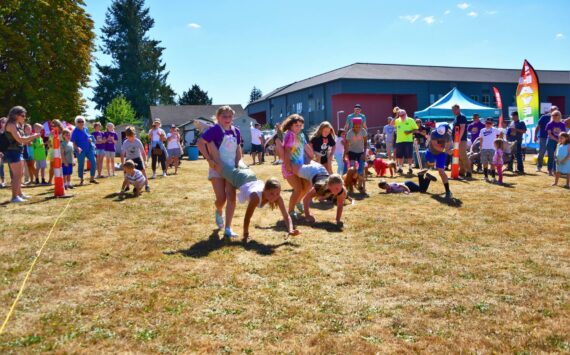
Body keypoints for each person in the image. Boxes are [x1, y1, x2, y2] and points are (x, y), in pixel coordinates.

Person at [212, 163, 299, 241]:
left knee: (234, 163)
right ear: (265, 190)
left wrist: (290, 229)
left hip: (250, 176)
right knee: (216, 165)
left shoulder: (278, 198)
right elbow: (247, 217)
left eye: (277, 193)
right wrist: (246, 234)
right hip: (239, 177)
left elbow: (286, 215)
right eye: (272, 193)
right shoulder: (255, 198)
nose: (275, 196)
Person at [197, 106, 242, 238]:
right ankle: (219, 210)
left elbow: (238, 148)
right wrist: (209, 159)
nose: (227, 119)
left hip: (231, 169)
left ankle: (228, 228)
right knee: (221, 199)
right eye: (224, 116)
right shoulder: (214, 130)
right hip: (217, 168)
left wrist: (239, 163)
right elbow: (200, 143)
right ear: (218, 117)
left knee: (231, 197)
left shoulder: (236, 131)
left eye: (230, 116)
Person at [290, 161, 347, 226]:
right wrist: (307, 215)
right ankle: (287, 161)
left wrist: (338, 220)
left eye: (340, 187)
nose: (339, 190)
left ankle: (309, 160)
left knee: (306, 185)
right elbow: (305, 199)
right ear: (329, 185)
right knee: (290, 168)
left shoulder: (340, 190)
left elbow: (340, 205)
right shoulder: (319, 186)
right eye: (336, 188)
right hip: (312, 170)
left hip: (321, 170)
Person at [3, 106, 40, 202]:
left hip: (18, 151)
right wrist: (33, 136)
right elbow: (20, 139)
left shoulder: (17, 124)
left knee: (21, 174)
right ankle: (14, 197)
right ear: (16, 115)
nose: (24, 117)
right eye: (22, 115)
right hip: (12, 152)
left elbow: (22, 140)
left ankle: (19, 194)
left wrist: (25, 129)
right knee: (16, 175)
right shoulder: (11, 125)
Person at [282, 114, 314, 219]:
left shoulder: (301, 135)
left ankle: (298, 201)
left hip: (300, 166)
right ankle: (290, 211)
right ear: (290, 125)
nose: (299, 127)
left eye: (300, 125)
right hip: (290, 166)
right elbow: (287, 151)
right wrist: (287, 165)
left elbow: (305, 146)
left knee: (308, 185)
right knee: (298, 188)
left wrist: (311, 155)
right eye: (296, 125)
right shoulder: (290, 135)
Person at [425, 124, 453, 199]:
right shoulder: (434, 132)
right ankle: (428, 177)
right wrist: (447, 151)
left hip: (441, 154)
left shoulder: (448, 135)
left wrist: (448, 151)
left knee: (441, 172)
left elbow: (447, 146)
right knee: (427, 165)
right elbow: (435, 145)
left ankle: (448, 191)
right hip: (431, 152)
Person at [120, 126, 150, 192]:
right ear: (126, 136)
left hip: (137, 158)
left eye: (132, 137)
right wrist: (122, 163)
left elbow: (143, 152)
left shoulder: (138, 141)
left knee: (143, 171)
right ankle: (127, 186)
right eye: (129, 137)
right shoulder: (125, 142)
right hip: (129, 160)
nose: (131, 139)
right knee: (126, 173)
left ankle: (147, 185)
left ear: (134, 135)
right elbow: (122, 154)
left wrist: (145, 161)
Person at [343, 117, 368, 193]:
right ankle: (350, 186)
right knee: (352, 169)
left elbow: (365, 143)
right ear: (353, 125)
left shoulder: (363, 131)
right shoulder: (349, 133)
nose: (358, 128)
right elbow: (346, 145)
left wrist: (364, 153)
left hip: (360, 153)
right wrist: (344, 155)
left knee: (361, 168)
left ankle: (360, 186)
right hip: (352, 153)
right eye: (356, 126)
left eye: (359, 126)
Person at [71, 116, 97, 185]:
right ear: (76, 123)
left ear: (84, 122)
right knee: (81, 165)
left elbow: (88, 137)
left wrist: (90, 140)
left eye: (82, 121)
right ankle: (81, 180)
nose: (81, 123)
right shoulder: (75, 131)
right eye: (79, 121)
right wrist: (77, 148)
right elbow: (73, 142)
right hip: (80, 151)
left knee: (93, 162)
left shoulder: (86, 129)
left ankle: (92, 178)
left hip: (89, 149)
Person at [394, 109, 418, 175]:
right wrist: (396, 116)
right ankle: (400, 168)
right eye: (400, 115)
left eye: (403, 115)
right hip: (399, 141)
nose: (401, 116)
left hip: (408, 141)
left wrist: (409, 132)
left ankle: (410, 168)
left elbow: (416, 129)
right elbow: (391, 124)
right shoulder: (397, 120)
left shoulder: (411, 120)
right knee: (399, 156)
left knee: (409, 155)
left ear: (405, 114)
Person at [452, 104, 472, 179]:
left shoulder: (462, 117)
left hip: (461, 140)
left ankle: (469, 172)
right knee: (459, 156)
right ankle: (462, 171)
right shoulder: (456, 117)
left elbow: (462, 128)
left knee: (463, 155)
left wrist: (459, 139)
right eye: (453, 110)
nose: (453, 111)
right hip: (457, 140)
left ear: (458, 109)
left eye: (454, 110)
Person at [535, 106, 557, 172]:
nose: (555, 112)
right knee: (541, 152)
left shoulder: (558, 118)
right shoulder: (544, 117)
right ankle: (539, 166)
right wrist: (535, 135)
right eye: (553, 110)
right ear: (550, 110)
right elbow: (538, 126)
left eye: (556, 110)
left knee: (552, 154)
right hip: (543, 137)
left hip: (553, 139)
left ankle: (552, 168)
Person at [545, 110, 566, 176]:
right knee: (551, 156)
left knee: (556, 156)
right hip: (551, 141)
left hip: (559, 142)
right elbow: (549, 134)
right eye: (552, 115)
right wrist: (557, 140)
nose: (553, 116)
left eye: (554, 115)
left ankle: (555, 171)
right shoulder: (549, 124)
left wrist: (561, 141)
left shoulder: (562, 124)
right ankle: (550, 171)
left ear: (558, 116)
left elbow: (563, 134)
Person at [0, 117, 7, 188]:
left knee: (11, 167)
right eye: (2, 122)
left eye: (5, 122)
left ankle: (13, 181)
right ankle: (2, 181)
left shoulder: (9, 132)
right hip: (1, 152)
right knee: (1, 167)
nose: (3, 123)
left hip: (9, 151)